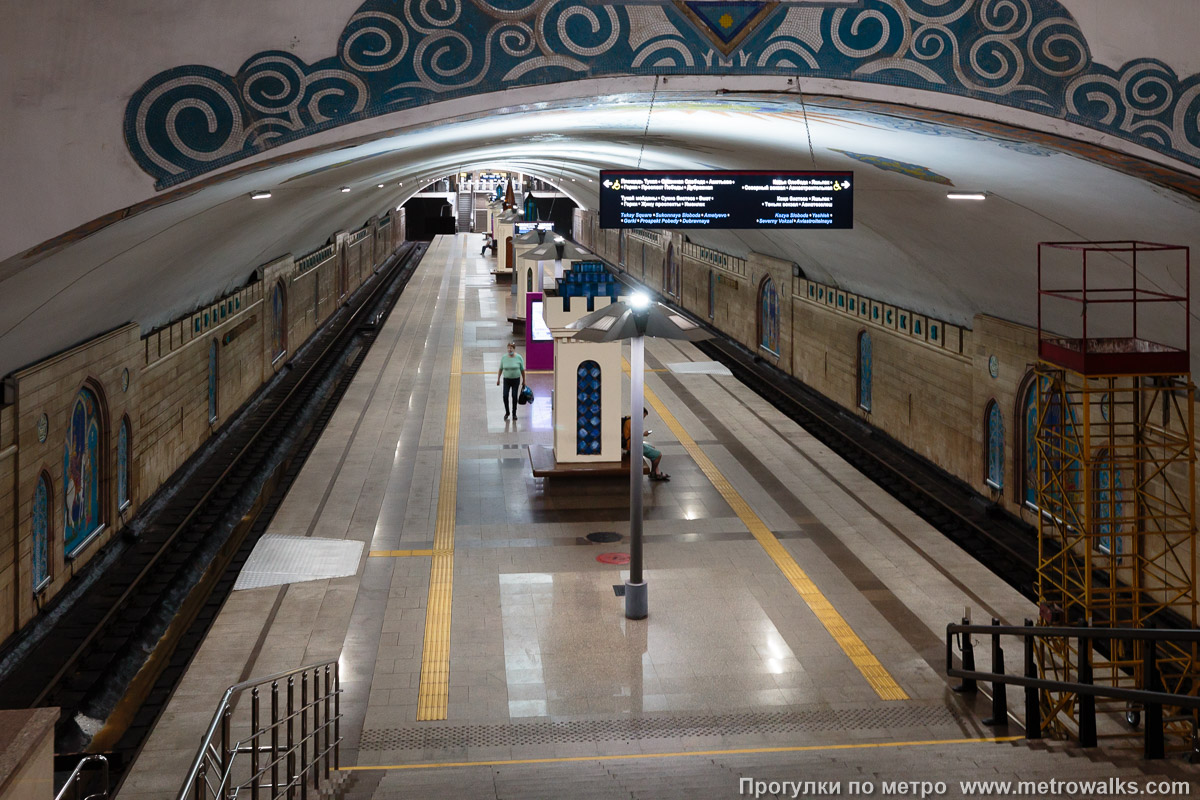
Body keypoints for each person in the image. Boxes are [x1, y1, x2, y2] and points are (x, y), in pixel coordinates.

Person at [622, 408, 669, 481]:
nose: (643, 419)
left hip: (632, 444)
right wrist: (644, 434)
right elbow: (635, 437)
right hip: (633, 446)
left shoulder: (629, 418)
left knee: (652, 447)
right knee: (659, 455)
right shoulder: (632, 422)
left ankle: (656, 471)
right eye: (643, 417)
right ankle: (653, 473)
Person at [496, 341, 526, 420]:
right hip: (507, 380)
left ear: (514, 349)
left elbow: (522, 370)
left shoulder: (519, 357)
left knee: (514, 395)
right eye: (508, 348)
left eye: (511, 348)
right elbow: (500, 369)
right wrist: (498, 379)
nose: (510, 350)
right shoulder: (504, 357)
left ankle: (514, 413)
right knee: (505, 395)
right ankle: (507, 412)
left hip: (516, 380)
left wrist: (524, 380)